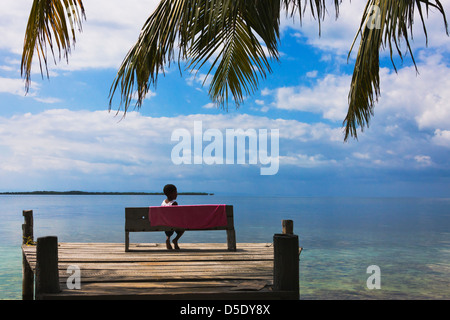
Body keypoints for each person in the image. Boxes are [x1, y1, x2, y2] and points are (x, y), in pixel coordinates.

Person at [161, 184, 185, 250]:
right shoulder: (174, 203)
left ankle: (168, 239)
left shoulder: (163, 202)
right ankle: (175, 240)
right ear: (170, 194)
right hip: (173, 224)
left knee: (169, 226)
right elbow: (177, 215)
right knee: (183, 228)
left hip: (165, 225)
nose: (177, 194)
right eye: (175, 192)